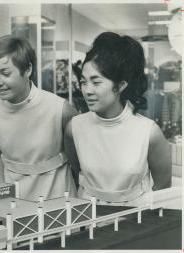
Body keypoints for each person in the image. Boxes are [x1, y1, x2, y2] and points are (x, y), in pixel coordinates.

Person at [65, 32, 171, 206]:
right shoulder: (74, 128)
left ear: (121, 85)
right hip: (87, 218)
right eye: (83, 82)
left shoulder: (149, 133)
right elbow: (76, 172)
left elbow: (163, 191)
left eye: (96, 82)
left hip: (135, 221)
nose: (87, 90)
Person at [0, 35, 77, 201]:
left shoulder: (60, 109)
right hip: (14, 194)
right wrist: (1, 195)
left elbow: (77, 162)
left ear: (27, 70)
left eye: (5, 73)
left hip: (58, 192)